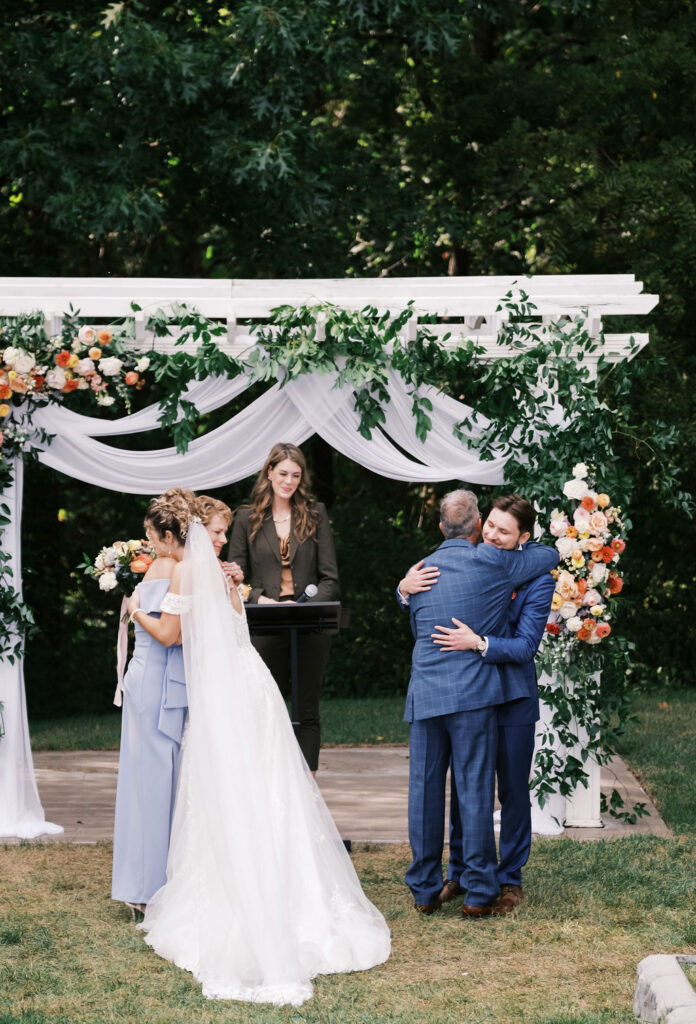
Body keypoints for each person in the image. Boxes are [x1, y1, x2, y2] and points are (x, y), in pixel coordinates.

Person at [126, 504, 389, 1005]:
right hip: (250, 685)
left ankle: (251, 890)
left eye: (226, 532)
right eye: (219, 532)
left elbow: (176, 635)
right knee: (263, 786)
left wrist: (134, 606)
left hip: (228, 691)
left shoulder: (196, 575)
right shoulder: (220, 577)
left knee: (243, 787)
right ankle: (281, 883)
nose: (224, 540)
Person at [397, 489, 559, 918]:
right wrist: (401, 588)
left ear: (522, 536)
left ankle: (438, 887)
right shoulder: (483, 562)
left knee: (460, 789)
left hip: (466, 691)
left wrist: (479, 641)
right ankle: (473, 883)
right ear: (475, 526)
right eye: (489, 525)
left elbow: (420, 622)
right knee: (472, 788)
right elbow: (549, 554)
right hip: (474, 692)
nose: (492, 534)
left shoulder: (426, 567)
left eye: (504, 531)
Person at [228, 443, 339, 771]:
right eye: (283, 474)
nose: (289, 481)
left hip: (310, 622)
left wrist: (307, 608)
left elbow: (330, 579)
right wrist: (259, 598)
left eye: (295, 475)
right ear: (269, 473)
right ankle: (266, 781)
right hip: (264, 622)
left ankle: (308, 783)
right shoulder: (246, 518)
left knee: (307, 708)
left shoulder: (315, 514)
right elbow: (233, 578)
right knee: (263, 705)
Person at [111, 488, 192, 915]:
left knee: (148, 786)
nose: (148, 542)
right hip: (166, 682)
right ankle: (157, 881)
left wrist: (132, 608)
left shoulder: (163, 568)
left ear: (165, 534)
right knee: (163, 783)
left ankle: (145, 886)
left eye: (150, 534)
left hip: (151, 679)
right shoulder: (180, 567)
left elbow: (166, 633)